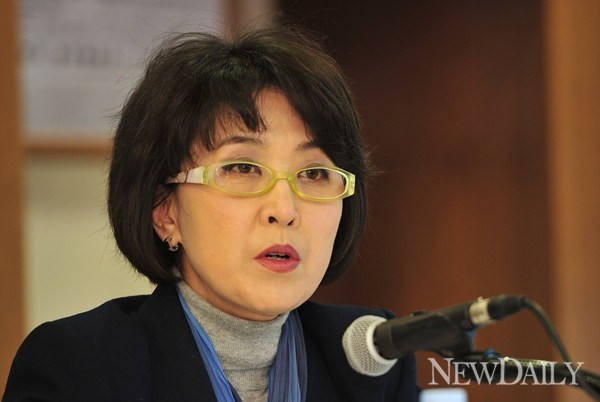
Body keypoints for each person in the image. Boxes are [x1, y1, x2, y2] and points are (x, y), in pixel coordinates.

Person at [3, 25, 418, 401]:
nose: (284, 210)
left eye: (313, 174)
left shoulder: (372, 355)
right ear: (165, 210)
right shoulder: (82, 366)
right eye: (242, 169)